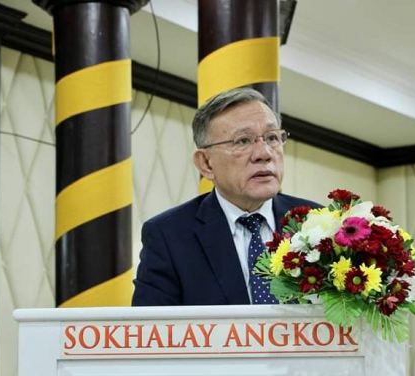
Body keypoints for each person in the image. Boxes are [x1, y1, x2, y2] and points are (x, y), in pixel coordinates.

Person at [132, 88, 320, 306]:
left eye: (272, 138)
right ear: (206, 163)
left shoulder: (318, 222)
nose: (264, 153)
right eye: (243, 141)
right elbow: (150, 326)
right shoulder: (169, 236)